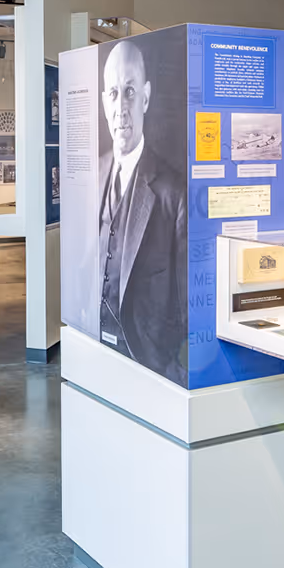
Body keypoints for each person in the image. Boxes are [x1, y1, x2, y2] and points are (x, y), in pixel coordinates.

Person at [97, 40, 187, 384]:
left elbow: (184, 309)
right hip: (100, 358)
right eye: (114, 93)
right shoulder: (96, 173)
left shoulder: (173, 194)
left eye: (130, 91)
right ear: (105, 100)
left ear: (146, 97)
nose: (121, 108)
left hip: (150, 368)